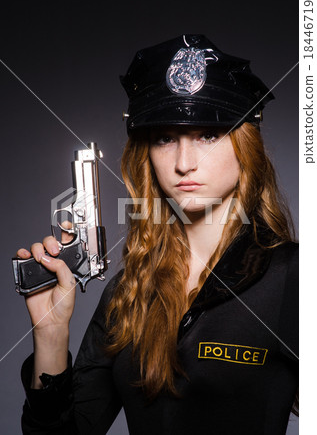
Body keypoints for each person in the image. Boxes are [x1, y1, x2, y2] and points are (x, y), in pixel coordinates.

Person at [17, 34, 298, 434]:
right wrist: (50, 331)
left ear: (244, 147)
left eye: (208, 135)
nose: (185, 163)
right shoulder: (128, 291)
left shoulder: (294, 278)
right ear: (146, 154)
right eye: (165, 138)